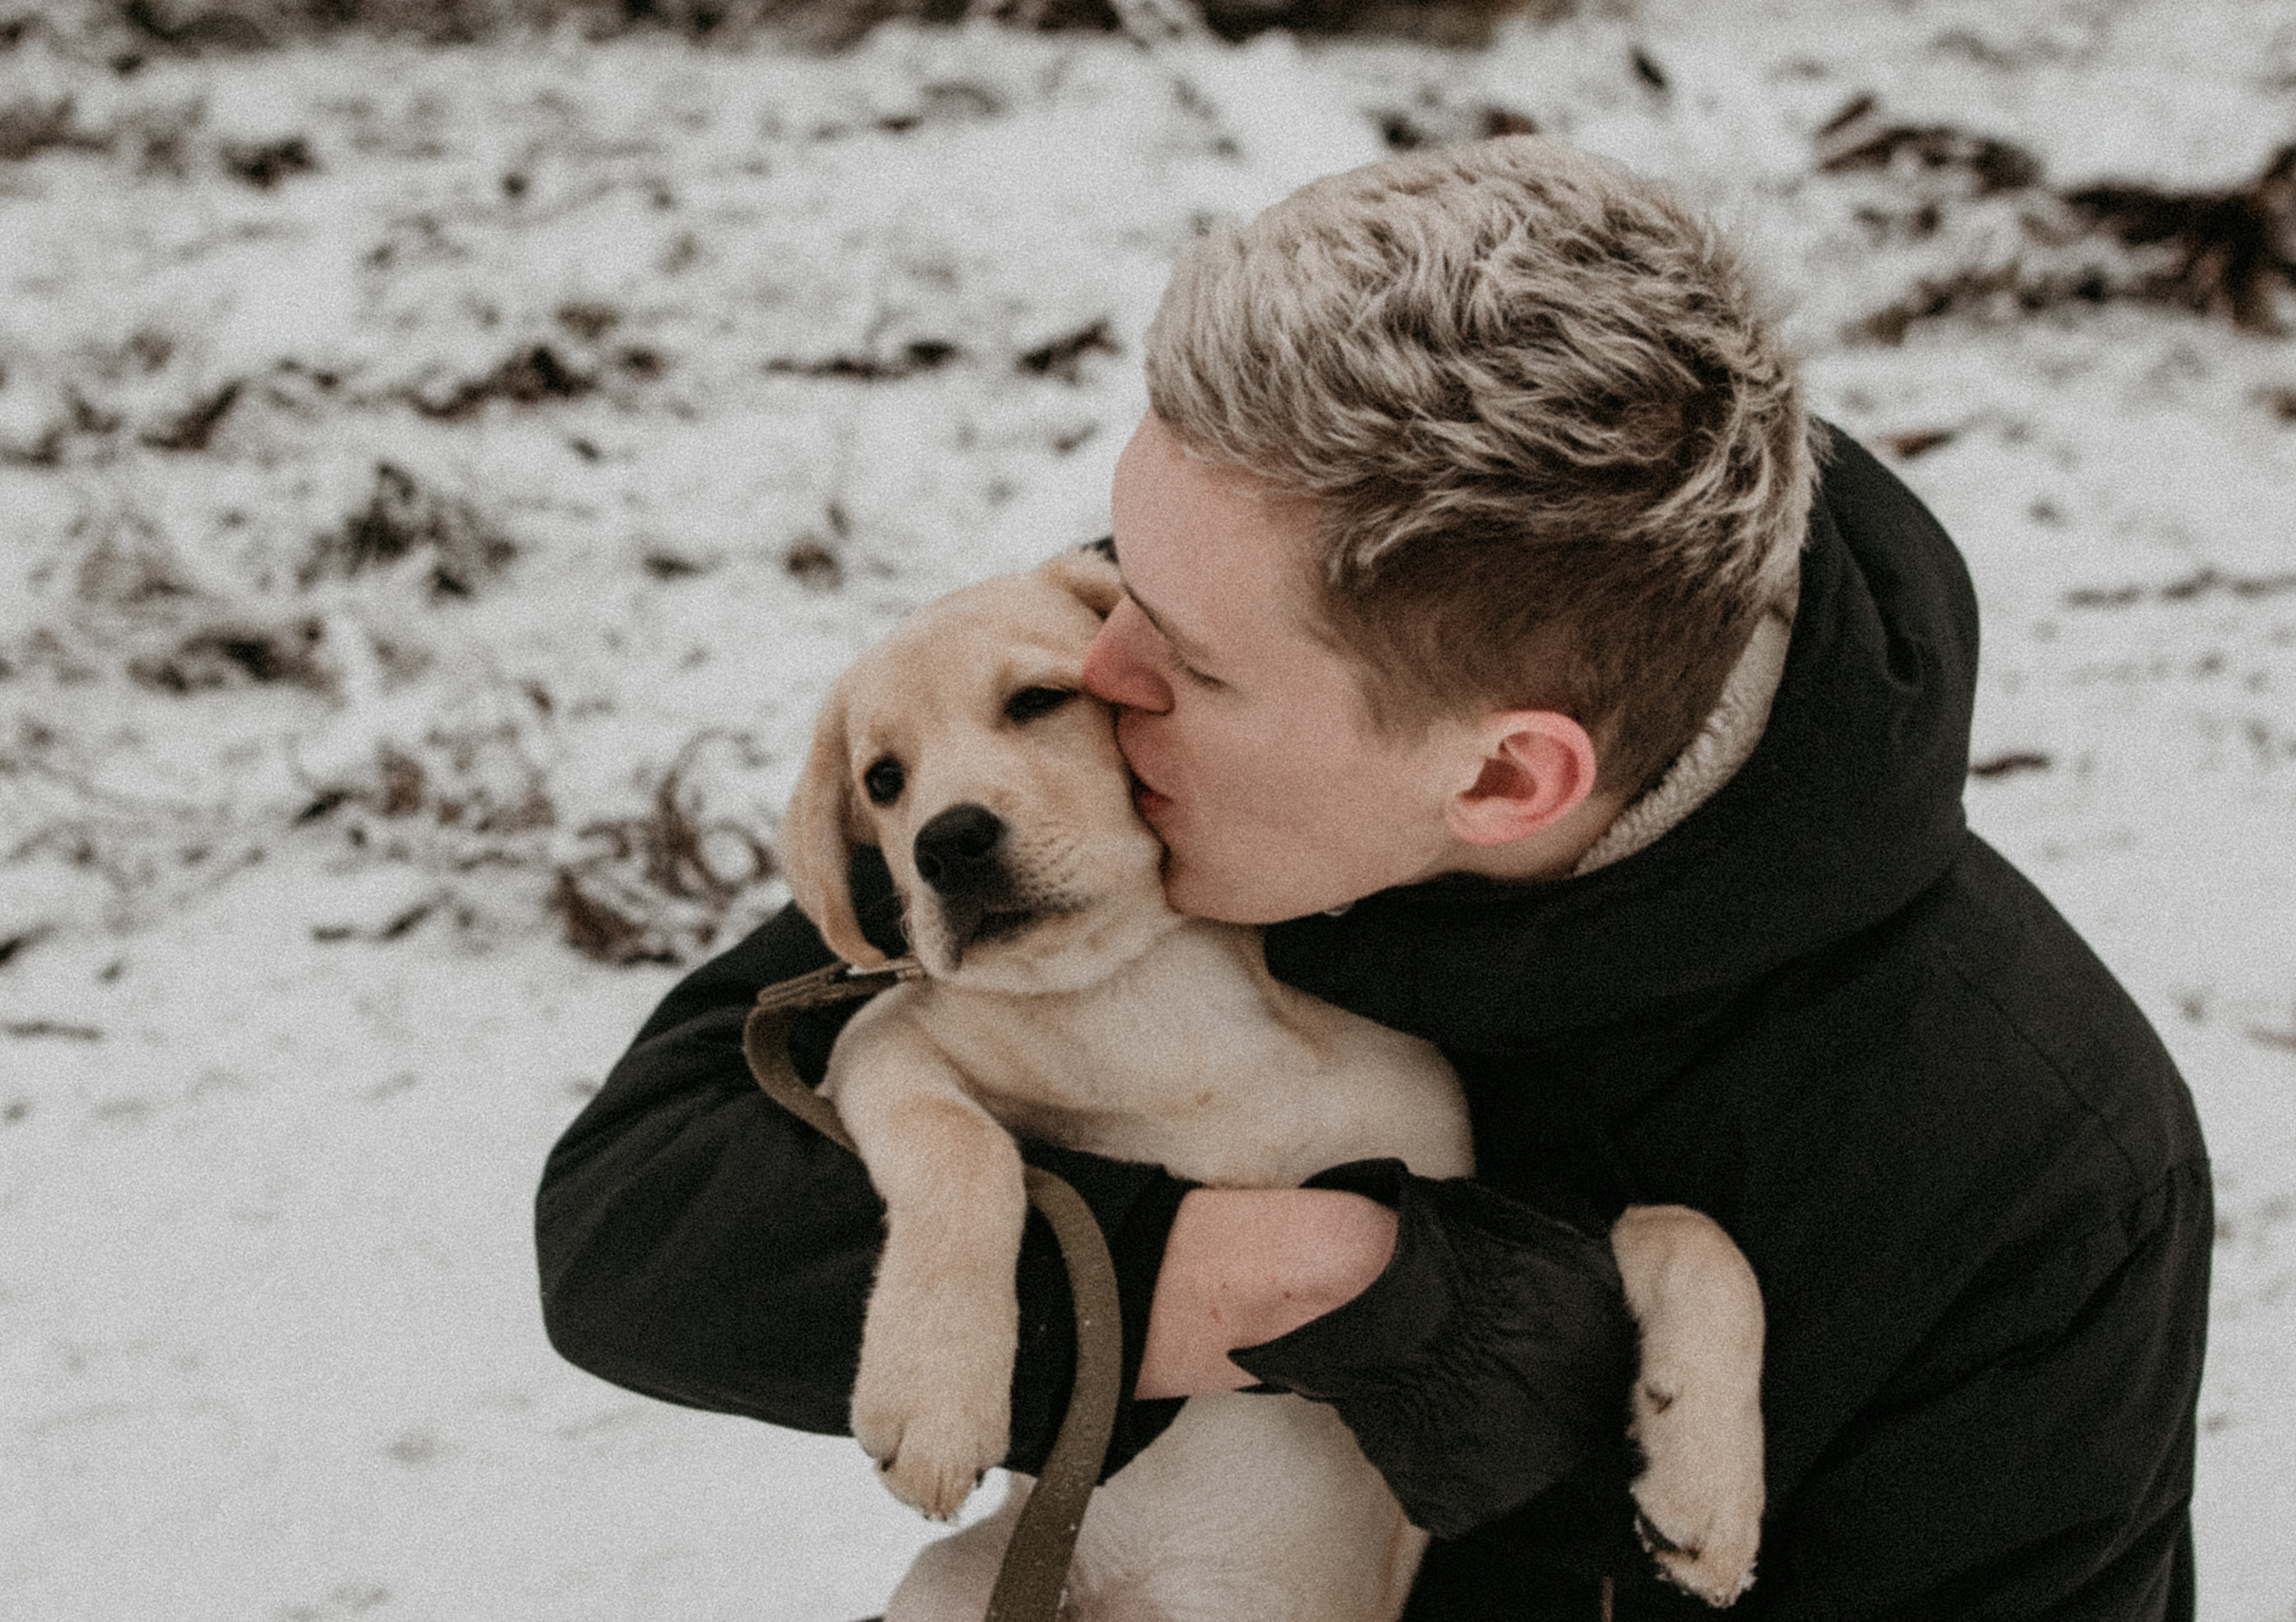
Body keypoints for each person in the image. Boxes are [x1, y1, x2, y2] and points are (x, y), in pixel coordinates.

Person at [535, 138, 2210, 1618]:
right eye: (1119, 568)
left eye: (1175, 651)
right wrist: (1251, 1280)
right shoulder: (1213, 683)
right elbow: (640, 1210)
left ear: (1499, 775)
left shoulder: (2032, 1172)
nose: (1094, 665)